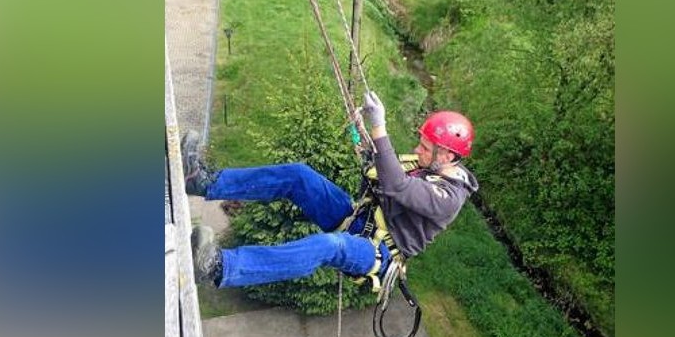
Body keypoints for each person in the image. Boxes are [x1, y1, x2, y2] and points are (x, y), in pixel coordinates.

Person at [182, 91, 478, 290]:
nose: (417, 149)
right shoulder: (423, 164)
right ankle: (204, 181)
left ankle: (219, 267)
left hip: (378, 252)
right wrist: (360, 133)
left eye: (425, 148)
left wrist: (380, 127)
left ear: (448, 156)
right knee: (299, 176)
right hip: (357, 219)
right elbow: (377, 173)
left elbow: (397, 186)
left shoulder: (449, 199)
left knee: (329, 246)